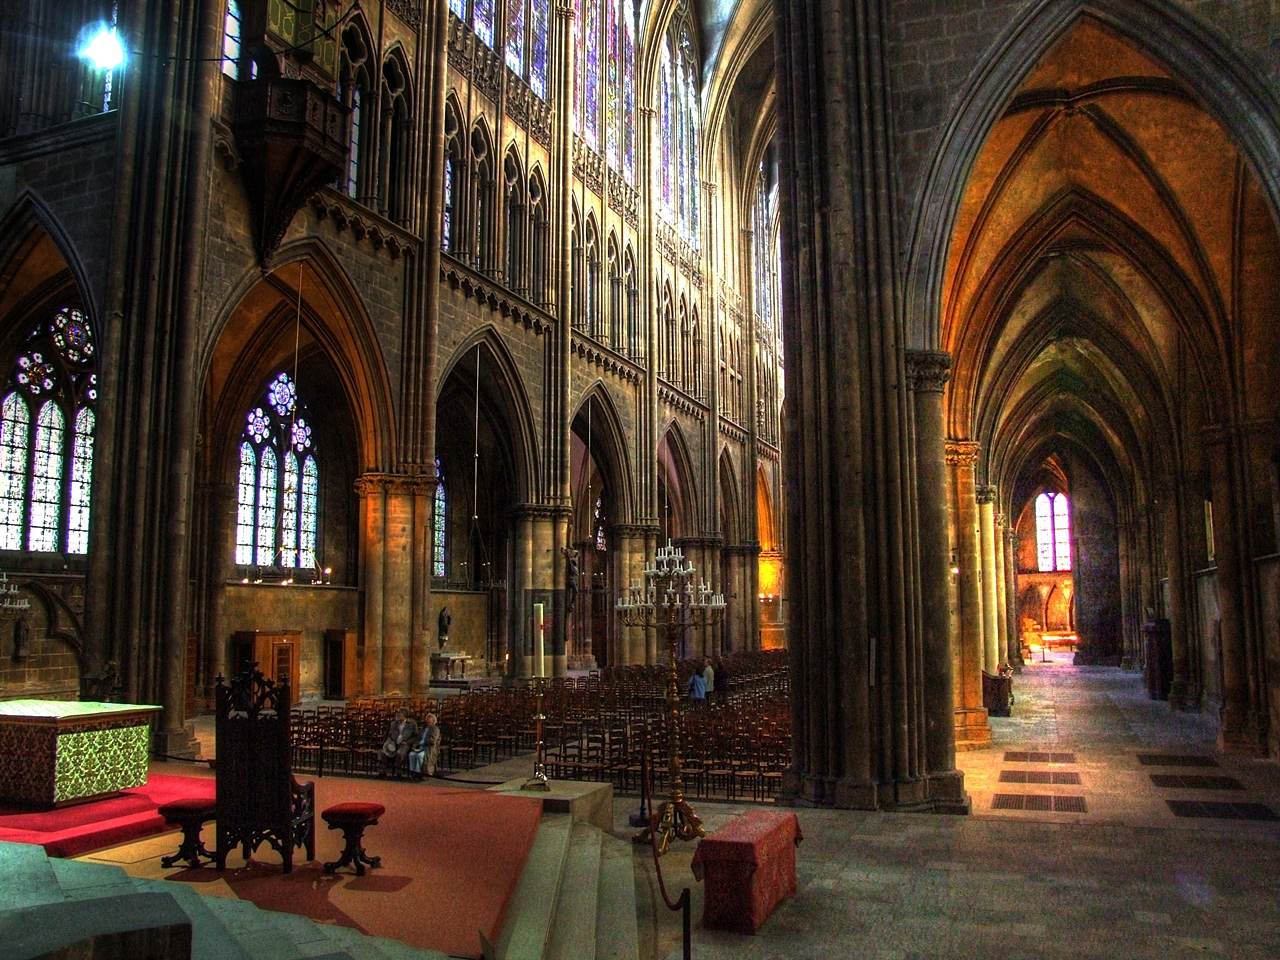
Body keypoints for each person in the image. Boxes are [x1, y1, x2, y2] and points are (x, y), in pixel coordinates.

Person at [380, 708, 418, 777]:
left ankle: (398, 772)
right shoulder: (393, 723)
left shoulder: (412, 724)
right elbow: (389, 735)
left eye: (399, 714)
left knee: (399, 753)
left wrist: (408, 742)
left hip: (404, 744)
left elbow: (415, 736)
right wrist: (389, 742)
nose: (397, 715)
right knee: (383, 753)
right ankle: (382, 772)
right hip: (393, 743)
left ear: (404, 715)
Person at [408, 713, 441, 779]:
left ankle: (419, 773)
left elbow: (432, 741)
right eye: (427, 722)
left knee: (419, 756)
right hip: (419, 747)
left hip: (429, 748)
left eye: (429, 722)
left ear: (433, 722)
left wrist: (421, 742)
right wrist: (416, 743)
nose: (428, 723)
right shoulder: (423, 729)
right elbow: (417, 738)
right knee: (411, 754)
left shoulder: (435, 729)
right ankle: (413, 773)